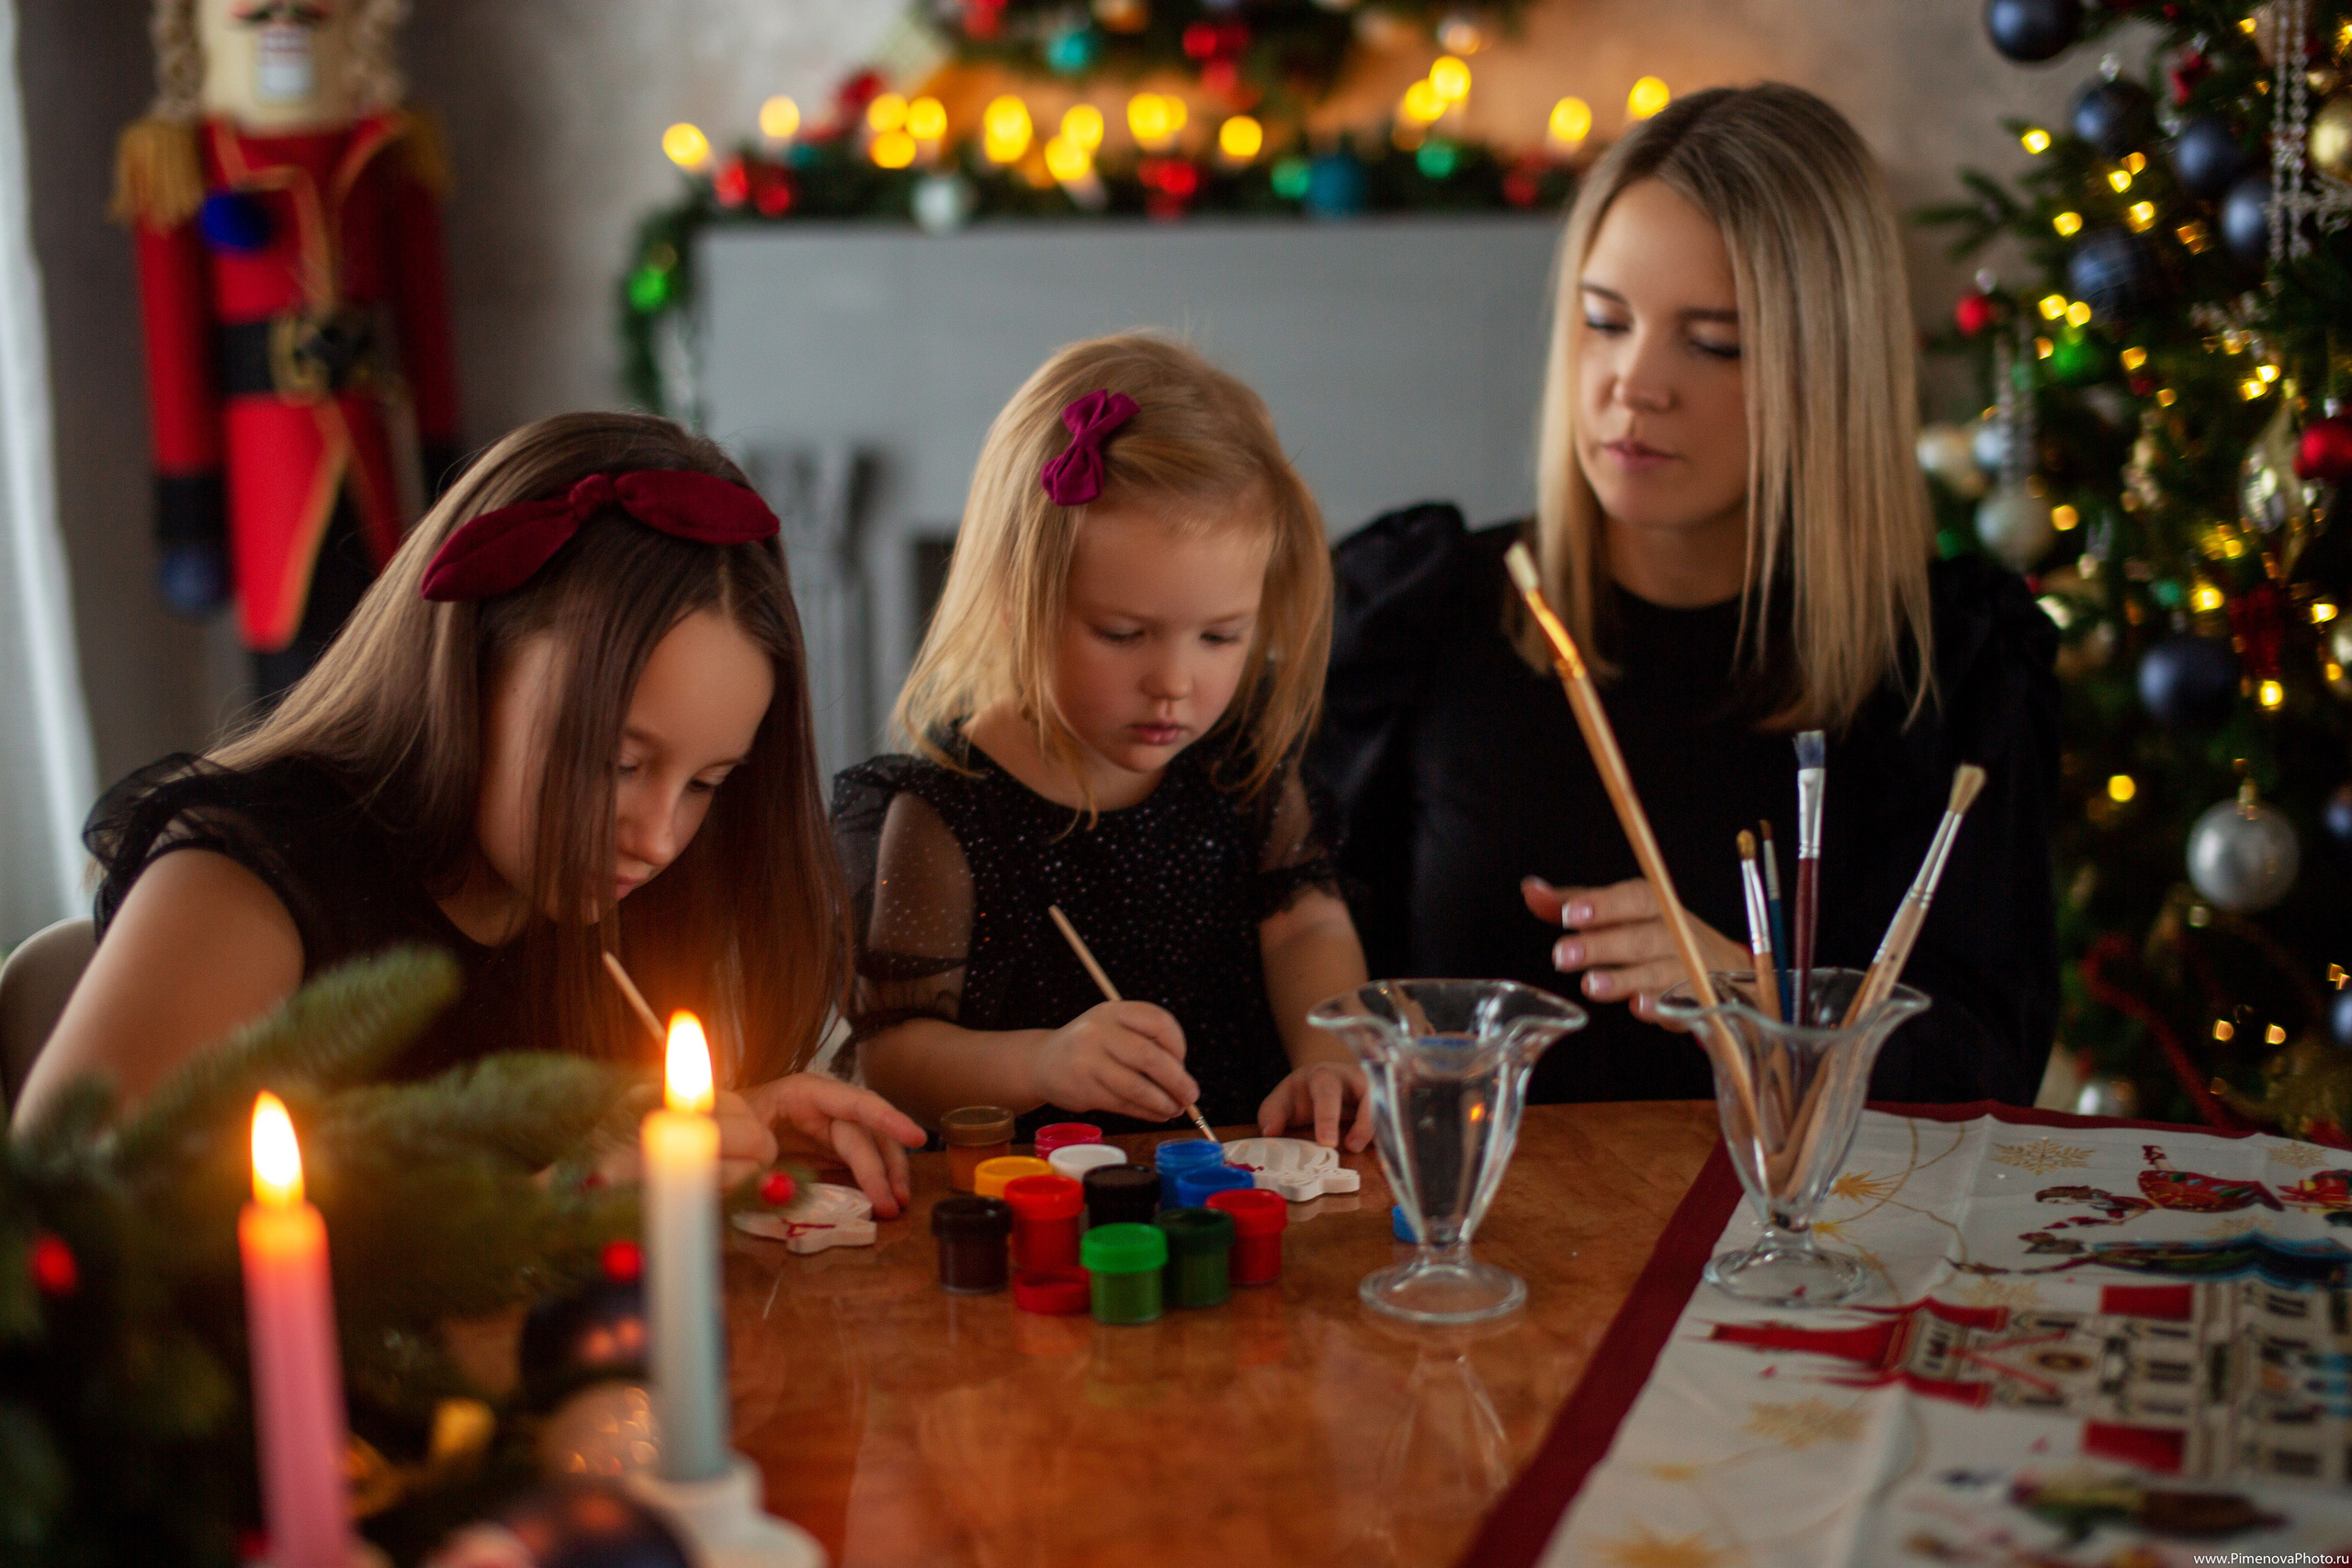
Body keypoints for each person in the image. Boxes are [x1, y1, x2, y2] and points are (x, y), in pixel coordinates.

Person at [1315, 85, 2059, 1106]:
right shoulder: (1418, 611)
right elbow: (1289, 954)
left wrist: (1753, 997)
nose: (1633, 383)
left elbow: (1989, 1077)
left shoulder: (1948, 668)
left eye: (1712, 342)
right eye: (1602, 321)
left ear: (1828, 369)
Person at [16, 412, 925, 1214]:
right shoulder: (250, 879)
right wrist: (563, 1199)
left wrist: (722, 1128)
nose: (655, 839)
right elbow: (74, 1239)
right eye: (617, 764)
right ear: (466, 671)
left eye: (705, 783)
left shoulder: (594, 908)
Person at [837, 333, 1375, 1148]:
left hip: (1243, 1180)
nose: (1174, 682)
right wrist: (1043, 1063)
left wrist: (1330, 1056)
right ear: (1019, 598)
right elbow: (894, 1059)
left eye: (1221, 637)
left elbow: (1306, 927)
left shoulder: (1238, 762)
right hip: (1041, 1211)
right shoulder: (947, 812)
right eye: (1125, 634)